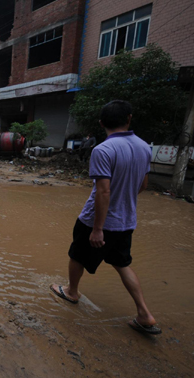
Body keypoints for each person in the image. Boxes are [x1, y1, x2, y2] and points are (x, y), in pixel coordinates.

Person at [51, 100, 161, 335]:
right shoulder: (144, 147)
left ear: (101, 123)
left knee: (77, 256)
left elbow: (103, 191)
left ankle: (71, 292)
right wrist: (124, 200)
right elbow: (143, 184)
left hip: (95, 220)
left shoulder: (103, 150)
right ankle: (144, 313)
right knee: (122, 264)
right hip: (126, 221)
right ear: (129, 119)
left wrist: (98, 228)